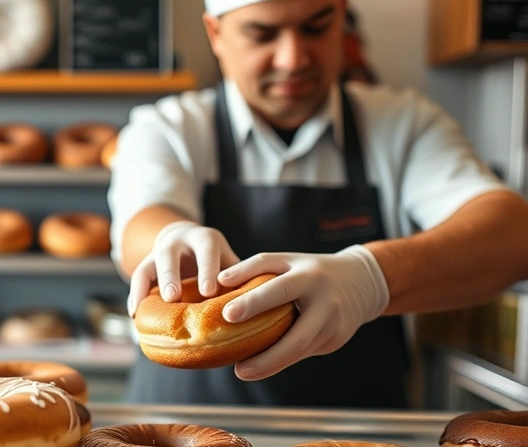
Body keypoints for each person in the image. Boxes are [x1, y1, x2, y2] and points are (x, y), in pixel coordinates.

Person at [108, 0, 528, 408]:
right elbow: (143, 219)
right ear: (216, 35)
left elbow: (512, 234)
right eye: (262, 34)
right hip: (177, 441)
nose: (293, 59)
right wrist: (170, 236)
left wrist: (372, 277)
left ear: (342, 18)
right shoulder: (168, 128)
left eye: (316, 27)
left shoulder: (404, 125)